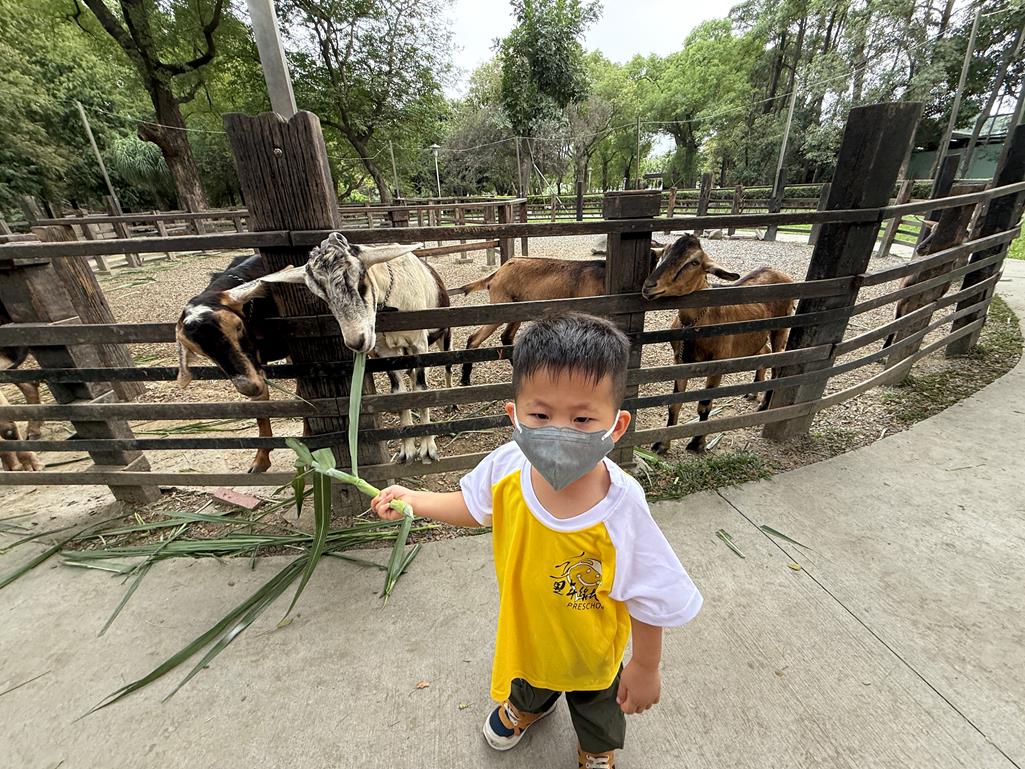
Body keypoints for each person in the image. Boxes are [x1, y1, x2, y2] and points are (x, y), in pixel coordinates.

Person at [371, 311, 702, 769]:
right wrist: (416, 500)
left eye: (582, 418)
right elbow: (474, 506)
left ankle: (596, 746)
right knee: (529, 679)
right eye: (541, 415)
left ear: (617, 425)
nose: (558, 432)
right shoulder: (507, 466)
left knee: (596, 704)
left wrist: (645, 666)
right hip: (527, 634)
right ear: (515, 416)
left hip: (591, 651)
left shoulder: (622, 505)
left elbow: (649, 593)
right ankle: (527, 707)